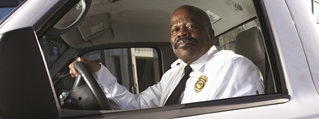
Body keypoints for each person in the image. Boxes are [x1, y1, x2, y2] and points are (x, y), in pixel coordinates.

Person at [68, 5, 264, 110]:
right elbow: (138, 105)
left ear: (210, 34)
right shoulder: (175, 73)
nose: (181, 33)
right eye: (175, 29)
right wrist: (99, 72)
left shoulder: (233, 67)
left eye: (190, 26)